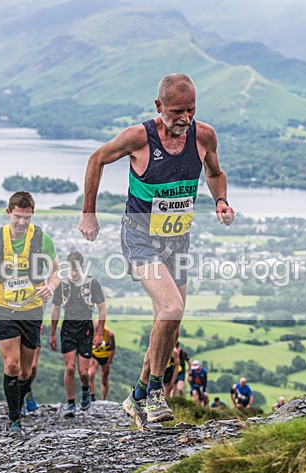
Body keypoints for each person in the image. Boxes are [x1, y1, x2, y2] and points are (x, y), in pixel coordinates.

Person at [78, 73, 235, 428]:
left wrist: (221, 200)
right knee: (172, 307)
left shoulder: (204, 135)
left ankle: (134, 399)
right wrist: (89, 213)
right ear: (159, 107)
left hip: (177, 241)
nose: (185, 118)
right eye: (177, 111)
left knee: (170, 326)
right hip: (140, 239)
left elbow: (215, 172)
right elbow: (96, 159)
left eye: (191, 110)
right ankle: (154, 394)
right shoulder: (139, 138)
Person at [0, 191, 59, 434]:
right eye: (17, 217)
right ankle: (14, 419)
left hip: (31, 310)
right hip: (3, 308)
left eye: (27, 218)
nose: (22, 223)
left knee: (26, 370)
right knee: (12, 365)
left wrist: (50, 286)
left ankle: (25, 391)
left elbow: (56, 270)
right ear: (8, 213)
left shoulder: (42, 239)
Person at [50, 251, 107, 418]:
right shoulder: (62, 285)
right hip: (67, 328)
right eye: (71, 269)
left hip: (86, 329)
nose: (74, 272)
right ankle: (70, 404)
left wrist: (99, 333)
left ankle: (85, 390)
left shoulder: (92, 284)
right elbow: (55, 308)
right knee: (69, 368)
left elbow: (102, 307)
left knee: (83, 372)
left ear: (82, 267)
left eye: (76, 269)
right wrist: (53, 333)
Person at [89, 324, 116, 401]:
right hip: (95, 356)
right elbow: (87, 344)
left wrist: (108, 363)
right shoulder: (91, 331)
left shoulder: (109, 334)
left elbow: (112, 350)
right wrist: (90, 357)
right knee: (90, 374)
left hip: (106, 357)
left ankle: (103, 398)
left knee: (104, 379)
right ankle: (92, 396)